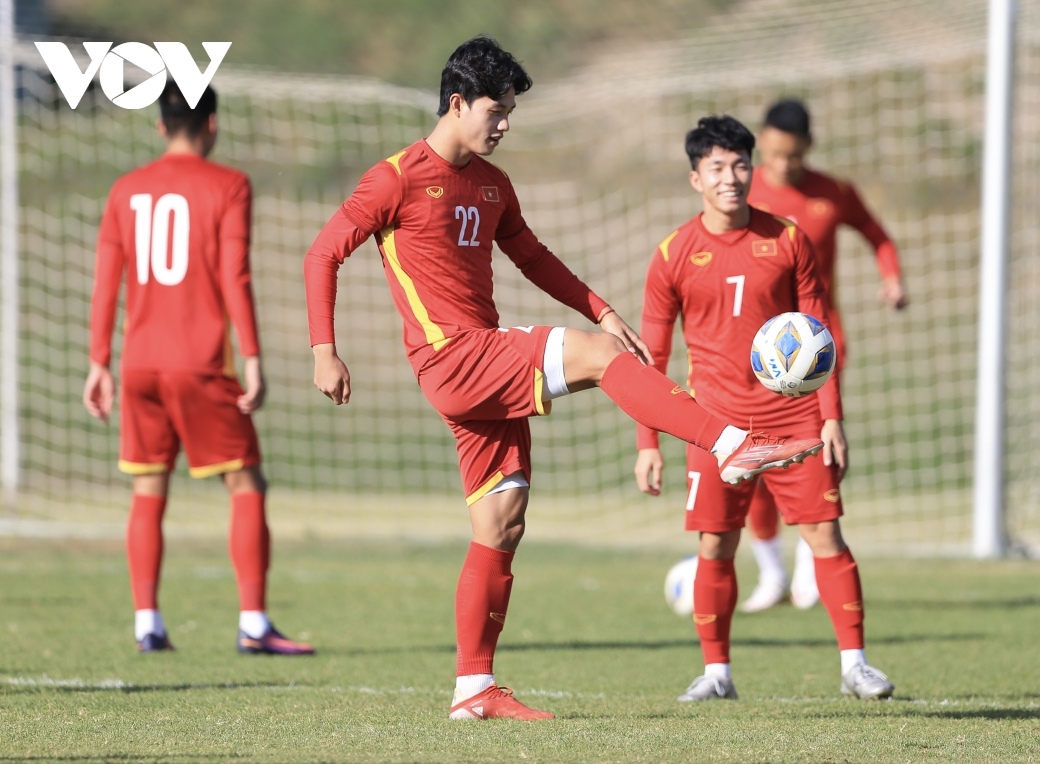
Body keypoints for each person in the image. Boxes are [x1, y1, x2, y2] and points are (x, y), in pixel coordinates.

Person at [303, 37, 823, 721]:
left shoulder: (493, 184)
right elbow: (323, 253)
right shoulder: (396, 176)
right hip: (453, 357)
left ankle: (473, 690)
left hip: (482, 361)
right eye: (497, 110)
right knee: (599, 358)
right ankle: (730, 442)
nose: (506, 124)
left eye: (512, 111)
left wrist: (600, 306)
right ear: (457, 103)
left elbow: (533, 257)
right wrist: (323, 350)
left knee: (501, 521)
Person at [633, 115, 894, 702]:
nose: (732, 177)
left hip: (794, 420)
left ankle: (855, 665)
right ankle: (717, 674)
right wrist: (648, 443)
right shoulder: (673, 254)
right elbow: (652, 358)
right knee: (715, 546)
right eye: (718, 168)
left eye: (741, 164)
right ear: (695, 178)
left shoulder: (788, 239)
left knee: (825, 535)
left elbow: (818, 334)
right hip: (713, 425)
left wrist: (831, 417)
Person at [83, 81, 314, 657]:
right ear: (212, 124)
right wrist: (254, 357)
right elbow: (234, 275)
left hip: (137, 365)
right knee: (246, 484)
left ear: (160, 127)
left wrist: (98, 363)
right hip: (201, 363)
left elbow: (105, 284)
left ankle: (147, 624)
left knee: (147, 488)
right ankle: (255, 624)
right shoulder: (229, 184)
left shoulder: (124, 189)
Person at [740, 99, 908, 613]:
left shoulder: (833, 193)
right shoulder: (744, 192)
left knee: (817, 454)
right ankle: (772, 575)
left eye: (791, 155)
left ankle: (813, 570)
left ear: (808, 148)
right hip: (756, 351)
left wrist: (892, 277)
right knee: (754, 460)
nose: (783, 164)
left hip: (818, 351)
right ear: (761, 145)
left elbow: (878, 236)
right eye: (772, 153)